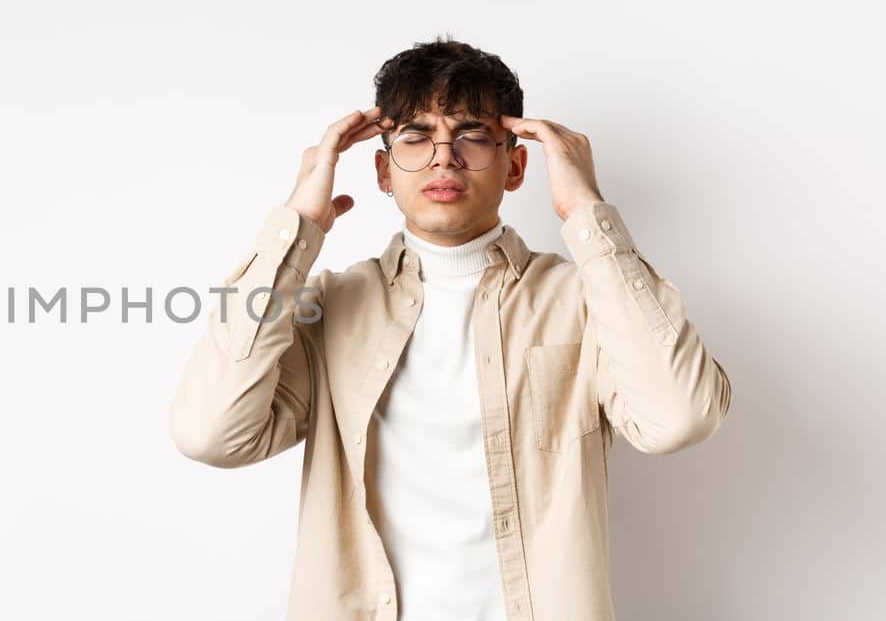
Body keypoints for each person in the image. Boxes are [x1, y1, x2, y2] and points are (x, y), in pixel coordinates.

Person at [167, 36, 733, 621]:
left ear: (515, 165)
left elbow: (681, 417)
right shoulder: (327, 307)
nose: (443, 157)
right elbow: (211, 433)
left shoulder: (585, 301)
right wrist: (297, 229)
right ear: (383, 171)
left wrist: (586, 212)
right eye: (416, 137)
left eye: (470, 136)